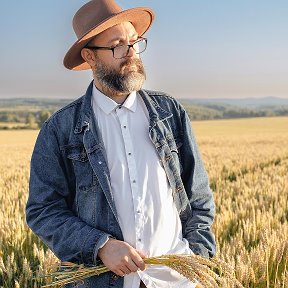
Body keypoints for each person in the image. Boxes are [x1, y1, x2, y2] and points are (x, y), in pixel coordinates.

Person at [26, 0, 216, 287]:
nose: (131, 54)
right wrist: (101, 246)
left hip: (175, 279)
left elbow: (198, 196)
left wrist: (196, 257)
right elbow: (43, 210)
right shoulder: (60, 129)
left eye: (134, 42)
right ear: (90, 57)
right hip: (104, 281)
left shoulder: (170, 113)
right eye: (117, 46)